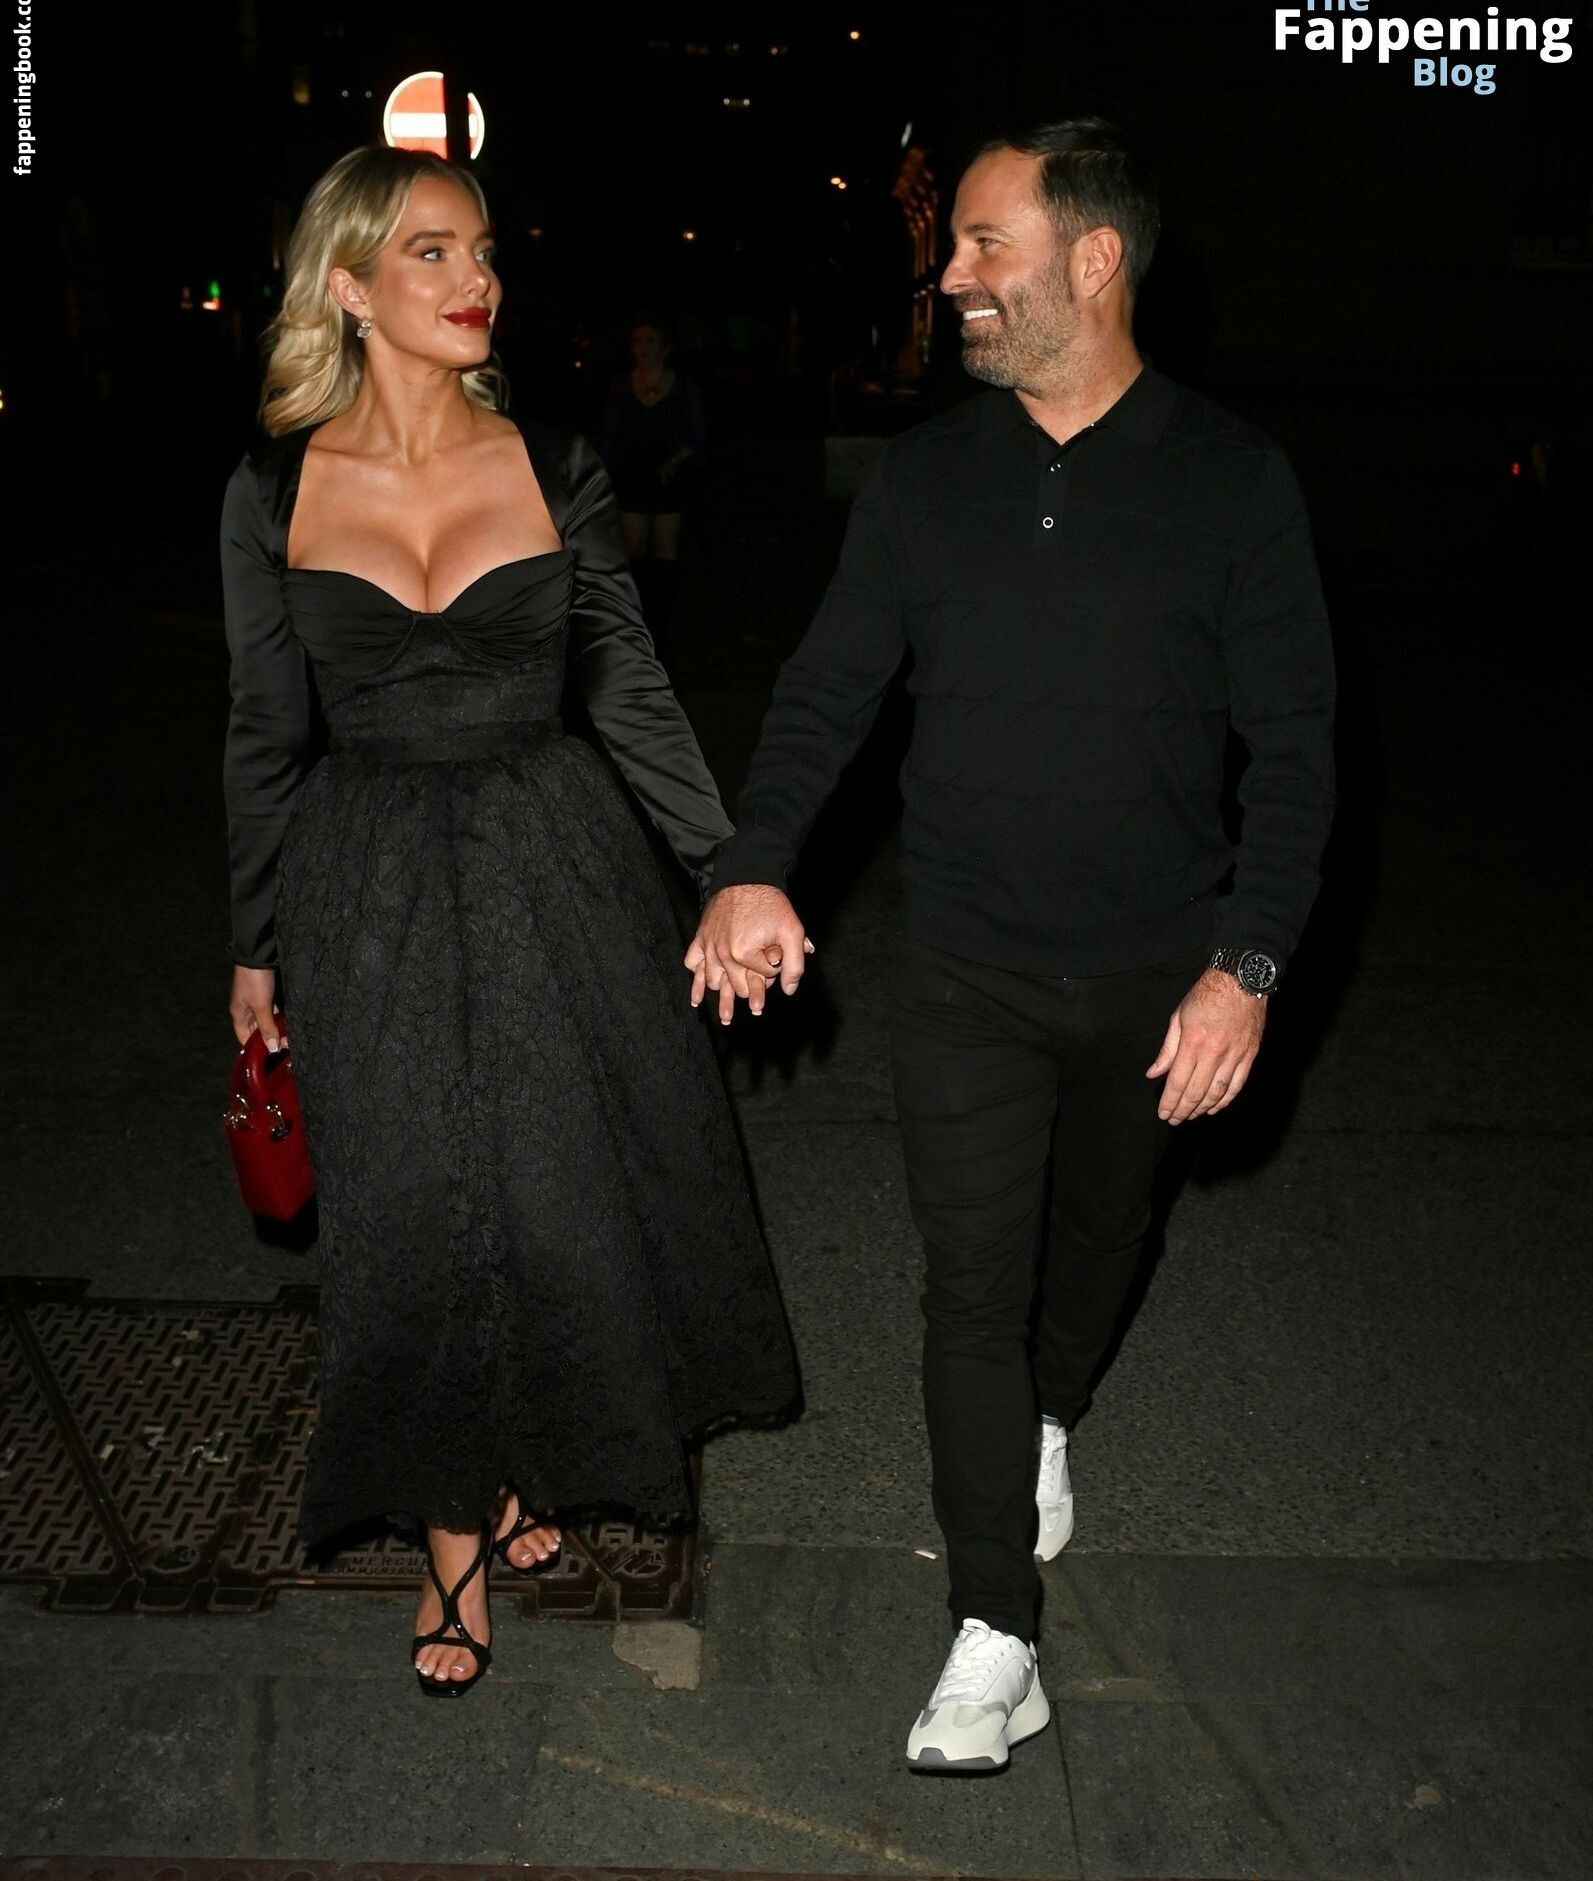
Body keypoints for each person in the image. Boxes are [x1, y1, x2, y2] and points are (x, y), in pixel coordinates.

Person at [687, 118, 1335, 1770]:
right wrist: (753, 867)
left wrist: (1245, 968)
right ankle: (995, 1629)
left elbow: (1298, 753)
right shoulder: (925, 480)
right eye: (956, 247)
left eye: (985, 244)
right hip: (966, 969)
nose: (951, 275)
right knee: (966, 1284)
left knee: (1100, 1238)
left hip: (1154, 978)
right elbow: (828, 692)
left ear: (1091, 259)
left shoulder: (1230, 482)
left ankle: (1052, 1410)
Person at [222, 146, 798, 1698]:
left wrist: (731, 867)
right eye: (432, 251)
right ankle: (451, 1534)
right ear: (349, 286)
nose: (476, 278)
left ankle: (524, 1451)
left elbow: (628, 686)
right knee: (410, 1207)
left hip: (551, 862)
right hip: (365, 885)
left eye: (482, 249)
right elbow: (264, 737)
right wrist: (255, 946)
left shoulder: (554, 461)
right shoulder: (271, 493)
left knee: (547, 1190)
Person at [599, 320, 707, 666]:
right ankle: (638, 617)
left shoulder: (683, 385)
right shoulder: (622, 385)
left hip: (669, 478)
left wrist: (677, 460)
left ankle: (662, 622)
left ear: (665, 347)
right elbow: (611, 437)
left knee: (666, 548)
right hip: (632, 477)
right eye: (637, 341)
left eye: (650, 341)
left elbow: (697, 434)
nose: (642, 348)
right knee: (635, 549)